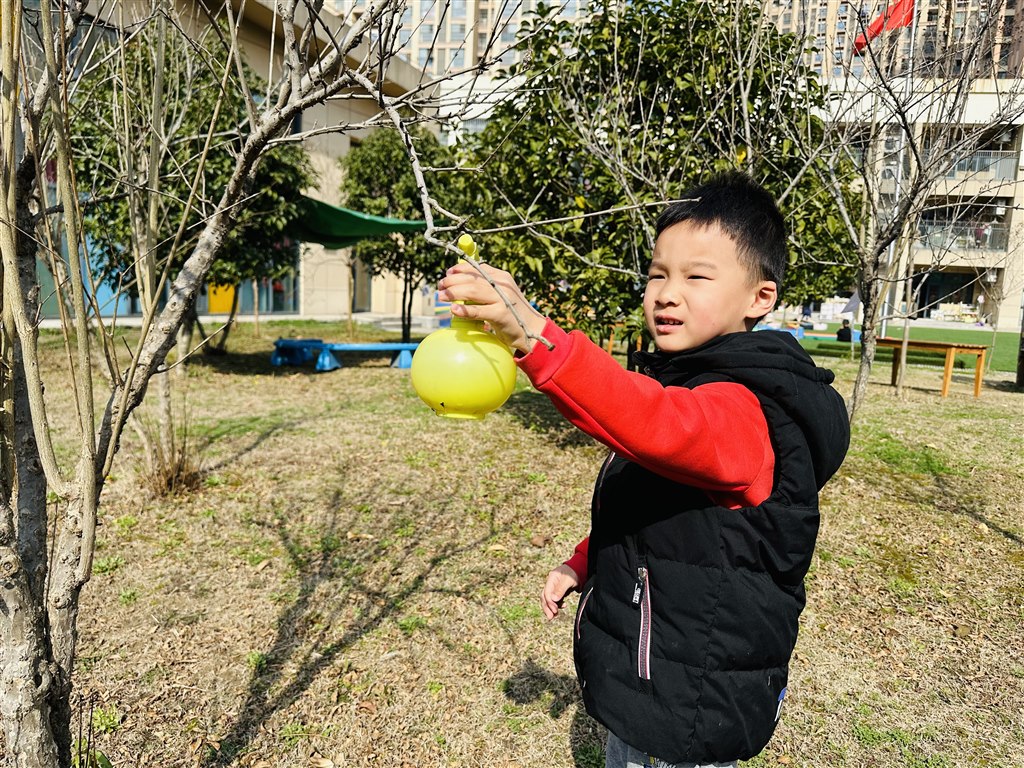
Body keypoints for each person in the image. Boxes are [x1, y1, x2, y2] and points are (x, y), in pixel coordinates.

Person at [436, 172, 850, 767]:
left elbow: (657, 424)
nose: (666, 294)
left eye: (696, 277)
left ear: (760, 297)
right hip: (653, 675)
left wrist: (533, 333)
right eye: (658, 274)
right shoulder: (689, 378)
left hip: (692, 699)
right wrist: (585, 560)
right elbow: (652, 499)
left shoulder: (746, 410)